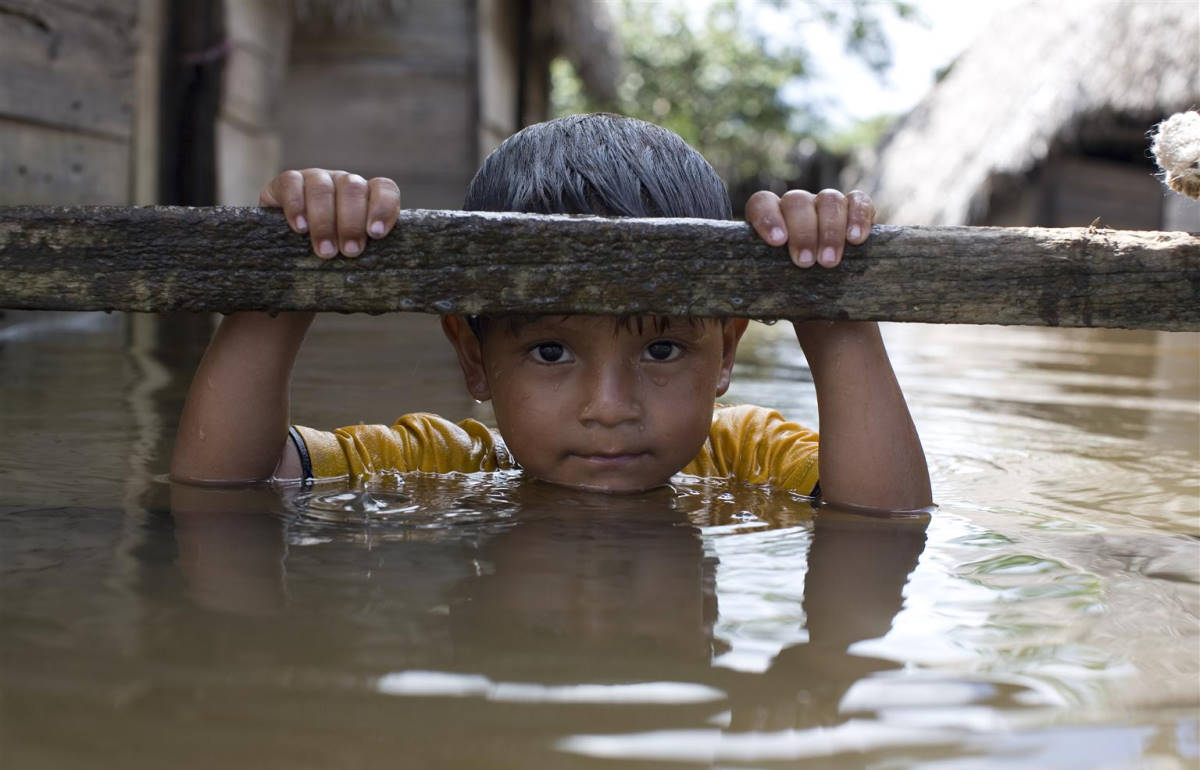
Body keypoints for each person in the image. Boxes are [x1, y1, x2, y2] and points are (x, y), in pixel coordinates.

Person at [170, 113, 931, 511]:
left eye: (663, 350)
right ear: (474, 356)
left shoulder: (741, 459)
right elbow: (229, 484)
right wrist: (288, 271)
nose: (610, 410)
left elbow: (885, 518)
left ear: (726, 351)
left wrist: (833, 314)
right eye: (550, 352)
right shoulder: (447, 467)